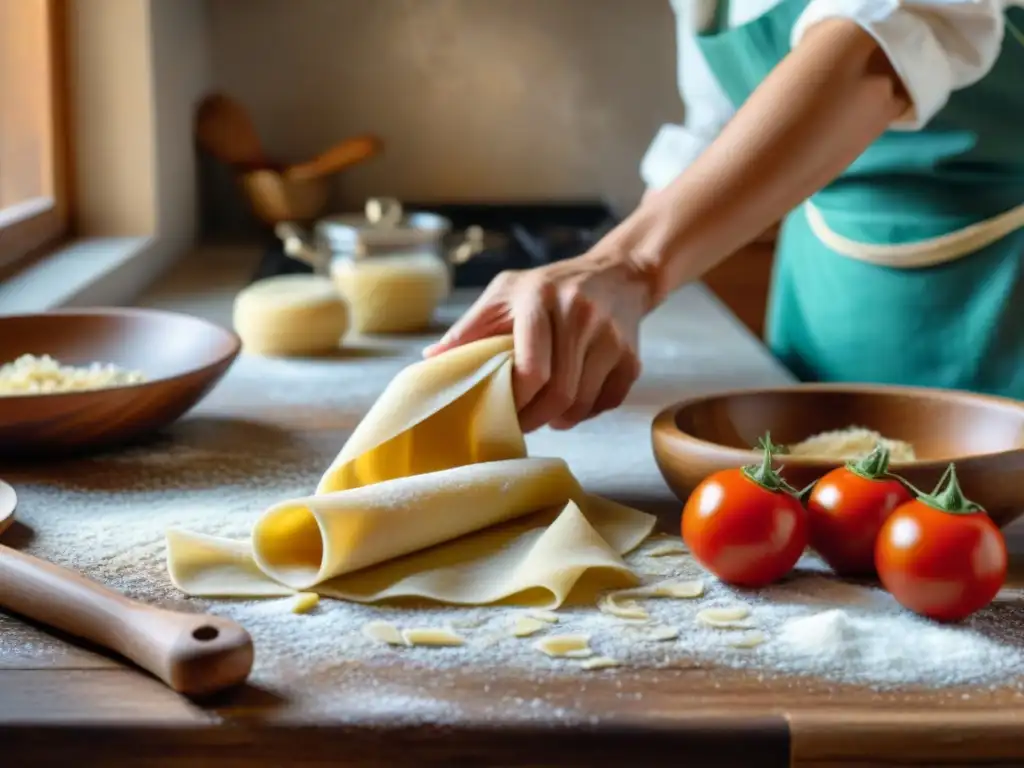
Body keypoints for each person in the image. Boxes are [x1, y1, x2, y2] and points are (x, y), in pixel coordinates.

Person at [424, 0, 1024, 432]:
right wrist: (599, 296)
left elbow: (881, 45)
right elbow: (716, 132)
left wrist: (627, 263)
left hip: (1000, 305)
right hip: (826, 296)